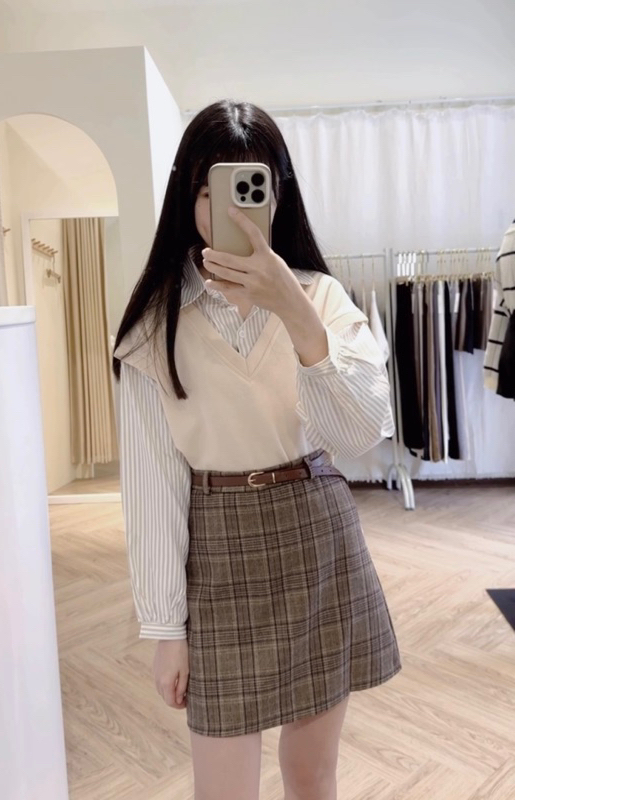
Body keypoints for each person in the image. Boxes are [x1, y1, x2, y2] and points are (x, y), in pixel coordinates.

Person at [113, 99, 401, 800]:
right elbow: (153, 489)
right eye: (211, 190)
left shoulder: (322, 299)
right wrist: (165, 628)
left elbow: (362, 433)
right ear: (189, 198)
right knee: (222, 789)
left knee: (313, 775)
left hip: (316, 538)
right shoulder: (154, 326)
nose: (233, 208)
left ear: (277, 193)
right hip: (218, 547)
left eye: (253, 186)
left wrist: (294, 309)